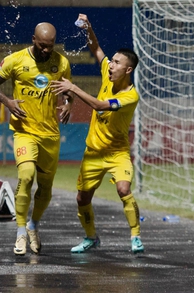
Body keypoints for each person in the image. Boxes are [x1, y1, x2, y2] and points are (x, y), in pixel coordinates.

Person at [51, 14, 144, 254]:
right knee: (82, 199)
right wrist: (89, 29)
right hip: (93, 153)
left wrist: (73, 88)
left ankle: (135, 237)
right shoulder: (107, 71)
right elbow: (96, 48)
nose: (110, 65)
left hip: (117, 153)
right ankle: (91, 237)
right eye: (111, 61)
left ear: (128, 69)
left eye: (116, 62)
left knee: (124, 190)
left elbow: (100, 106)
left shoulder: (130, 96)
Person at [0, 22, 74, 256]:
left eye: (51, 46)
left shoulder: (62, 62)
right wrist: (7, 102)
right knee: (25, 177)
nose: (47, 50)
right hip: (24, 131)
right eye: (43, 45)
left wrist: (68, 103)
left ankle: (34, 225)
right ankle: (20, 232)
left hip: (50, 134)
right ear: (34, 39)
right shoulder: (15, 60)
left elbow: (67, 90)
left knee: (45, 187)